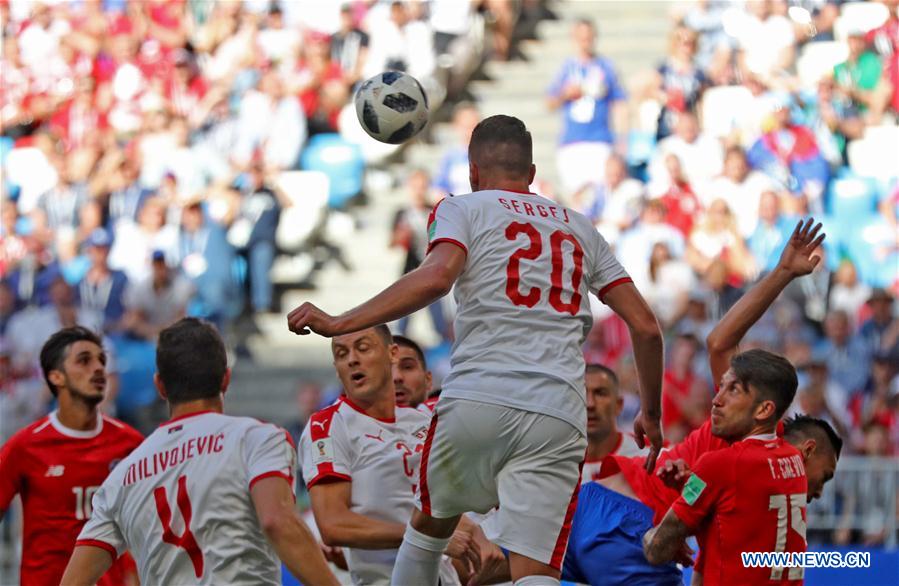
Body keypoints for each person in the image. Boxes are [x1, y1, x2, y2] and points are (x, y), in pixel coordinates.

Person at [287, 114, 664, 586]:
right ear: (531, 174)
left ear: (472, 171)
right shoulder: (581, 227)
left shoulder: (462, 208)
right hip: (557, 415)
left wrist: (341, 322)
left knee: (428, 528)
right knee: (535, 569)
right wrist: (651, 412)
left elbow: (438, 276)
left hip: (478, 398)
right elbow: (646, 327)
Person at [563, 219, 840, 586]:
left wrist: (677, 524)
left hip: (592, 507)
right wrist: (783, 273)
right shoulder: (746, 434)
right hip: (628, 525)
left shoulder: (742, 476)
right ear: (805, 450)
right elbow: (720, 343)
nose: (818, 492)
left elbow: (708, 560)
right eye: (824, 476)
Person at [60, 318, 338, 586]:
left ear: (160, 386)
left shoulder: (121, 477)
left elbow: (74, 580)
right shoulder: (257, 439)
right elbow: (277, 522)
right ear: (226, 379)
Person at [299, 325, 486, 585]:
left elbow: (439, 501)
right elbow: (333, 524)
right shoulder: (329, 425)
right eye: (341, 354)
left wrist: (475, 536)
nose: (352, 359)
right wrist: (427, 537)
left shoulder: (422, 419)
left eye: (363, 348)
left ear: (391, 353)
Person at [642, 349, 809, 584]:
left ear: (764, 410)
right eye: (721, 386)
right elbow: (732, 526)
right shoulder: (793, 459)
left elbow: (656, 549)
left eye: (734, 390)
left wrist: (654, 531)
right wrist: (692, 488)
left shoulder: (718, 465)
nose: (716, 399)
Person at [0, 326, 143, 586]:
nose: (99, 368)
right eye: (84, 361)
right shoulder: (25, 446)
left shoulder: (130, 445)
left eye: (101, 360)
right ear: (56, 376)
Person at [547, 18, 628, 195]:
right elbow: (550, 102)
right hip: (572, 141)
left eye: (588, 37)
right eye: (581, 38)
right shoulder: (566, 68)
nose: (585, 42)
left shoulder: (606, 67)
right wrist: (565, 94)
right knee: (576, 198)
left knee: (598, 195)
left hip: (600, 140)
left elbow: (619, 103)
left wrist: (622, 139)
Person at [582, 363, 647, 483]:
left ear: (619, 405)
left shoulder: (648, 454)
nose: (590, 404)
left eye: (600, 393)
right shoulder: (556, 463)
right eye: (582, 394)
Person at [392, 334, 435, 410]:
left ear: (428, 380)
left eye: (407, 367)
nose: (397, 377)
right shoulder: (364, 421)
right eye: (386, 370)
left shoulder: (451, 416)